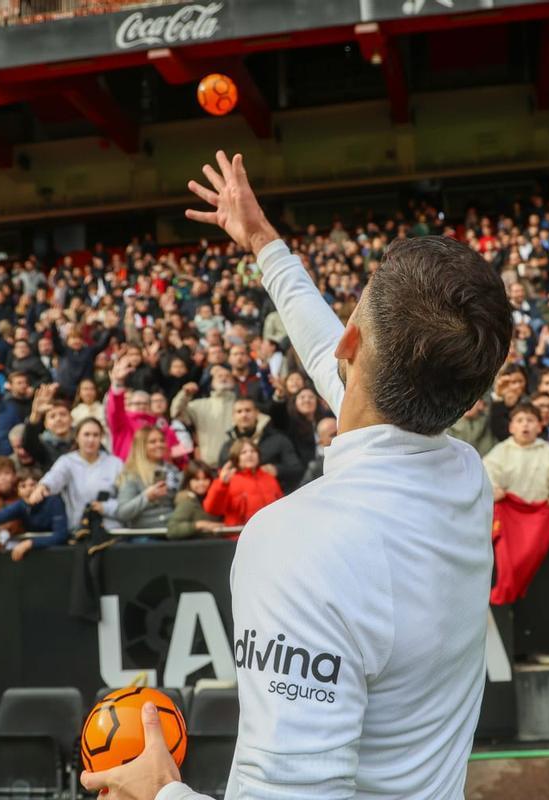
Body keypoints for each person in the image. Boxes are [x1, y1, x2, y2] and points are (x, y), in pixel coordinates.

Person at [80, 151, 511, 798]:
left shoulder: (294, 542)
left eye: (352, 319)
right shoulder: (464, 476)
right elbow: (332, 359)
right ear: (469, 401)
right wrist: (262, 242)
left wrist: (161, 792)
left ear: (353, 348)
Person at [27, 418, 123, 530]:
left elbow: (126, 499)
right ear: (77, 437)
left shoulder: (115, 463)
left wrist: (105, 507)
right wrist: (43, 486)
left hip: (112, 529)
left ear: (101, 438)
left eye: (95, 435)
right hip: (79, 531)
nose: (91, 439)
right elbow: (55, 477)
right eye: (86, 435)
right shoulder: (67, 461)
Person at [483, 402, 549, 509]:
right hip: (507, 513)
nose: (525, 424)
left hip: (539, 514)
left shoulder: (548, 452)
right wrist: (493, 491)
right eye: (519, 420)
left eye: (530, 420)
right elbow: (487, 475)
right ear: (511, 427)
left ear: (539, 427)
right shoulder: (500, 451)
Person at [0, 466, 69, 561]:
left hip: (59, 556)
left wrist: (29, 543)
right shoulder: (21, 505)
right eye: (23, 486)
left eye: (33, 485)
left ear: (41, 487)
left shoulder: (54, 501)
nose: (29, 490)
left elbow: (61, 535)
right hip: (36, 557)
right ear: (18, 491)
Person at [216, 398, 303, 491]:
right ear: (233, 416)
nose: (244, 415)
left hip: (277, 498)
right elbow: (220, 477)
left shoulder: (278, 439)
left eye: (248, 410)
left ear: (257, 413)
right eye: (239, 411)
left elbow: (297, 469)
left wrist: (277, 470)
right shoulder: (227, 447)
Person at [202, 438, 283, 528]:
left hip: (271, 531)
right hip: (240, 536)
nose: (249, 455)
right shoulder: (227, 480)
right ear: (236, 458)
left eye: (253, 451)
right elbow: (212, 509)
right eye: (243, 452)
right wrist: (222, 484)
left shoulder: (269, 477)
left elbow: (281, 507)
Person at [116, 427, 182, 530]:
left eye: (162, 441)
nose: (159, 445)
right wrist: (147, 496)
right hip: (145, 534)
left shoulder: (173, 470)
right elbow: (123, 512)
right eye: (152, 442)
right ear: (141, 446)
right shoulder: (131, 474)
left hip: (172, 530)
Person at [164, 461, 225, 538]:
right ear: (188, 481)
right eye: (196, 479)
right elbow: (172, 530)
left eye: (205, 479)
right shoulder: (187, 500)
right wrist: (200, 525)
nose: (201, 483)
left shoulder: (214, 497)